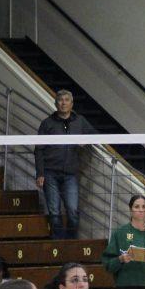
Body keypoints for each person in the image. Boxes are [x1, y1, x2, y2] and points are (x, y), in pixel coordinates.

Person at [34, 89, 94, 239]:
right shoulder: (47, 123)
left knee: (72, 211)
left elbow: (93, 134)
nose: (63, 103)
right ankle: (59, 246)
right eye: (60, 100)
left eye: (66, 100)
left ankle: (70, 242)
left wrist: (85, 141)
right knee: (54, 212)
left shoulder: (80, 121)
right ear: (56, 103)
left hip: (71, 173)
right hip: (50, 172)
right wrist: (40, 173)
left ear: (71, 103)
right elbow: (38, 149)